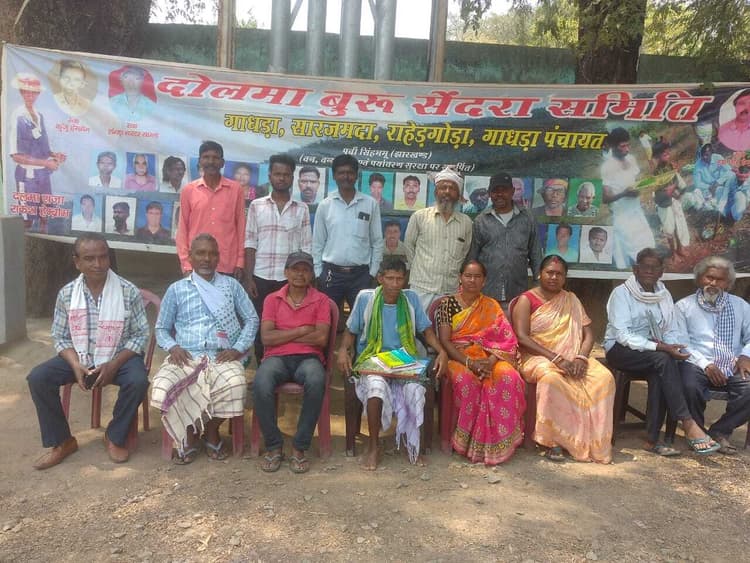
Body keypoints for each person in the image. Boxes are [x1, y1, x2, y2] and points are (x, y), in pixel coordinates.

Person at [27, 233, 149, 468]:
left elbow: (140, 335)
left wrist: (113, 364)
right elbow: (60, 336)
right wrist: (75, 364)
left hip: (119, 357)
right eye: (89, 258)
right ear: (77, 262)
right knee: (38, 378)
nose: (98, 264)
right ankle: (63, 442)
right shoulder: (67, 294)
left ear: (109, 258)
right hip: (80, 357)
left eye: (103, 257)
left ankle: (114, 436)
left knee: (138, 380)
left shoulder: (128, 291)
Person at [151, 234, 258, 464]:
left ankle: (211, 430)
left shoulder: (231, 286)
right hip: (186, 355)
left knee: (236, 385)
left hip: (221, 356)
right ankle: (189, 432)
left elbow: (252, 319)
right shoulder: (177, 289)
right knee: (163, 386)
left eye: (212, 254)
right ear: (190, 257)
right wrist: (173, 347)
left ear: (219, 258)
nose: (206, 259)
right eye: (200, 253)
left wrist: (237, 348)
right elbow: (161, 328)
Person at [604, 248, 720, 456]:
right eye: (645, 267)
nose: (649, 271)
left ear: (661, 272)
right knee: (663, 359)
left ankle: (652, 440)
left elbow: (670, 330)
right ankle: (688, 422)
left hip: (653, 354)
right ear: (635, 269)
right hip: (621, 350)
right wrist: (662, 347)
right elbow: (623, 335)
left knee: (663, 368)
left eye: (654, 267)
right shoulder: (621, 293)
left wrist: (674, 347)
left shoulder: (664, 295)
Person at [337, 257, 447, 470]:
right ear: (380, 278)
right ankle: (373, 446)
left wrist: (442, 351)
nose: (395, 284)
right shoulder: (365, 298)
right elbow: (351, 330)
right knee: (376, 388)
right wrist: (343, 350)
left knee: (415, 390)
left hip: (404, 362)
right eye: (390, 278)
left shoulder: (411, 299)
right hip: (373, 359)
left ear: (405, 280)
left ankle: (413, 445)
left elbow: (426, 331)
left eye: (399, 279)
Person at [511, 255, 615, 463]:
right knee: (551, 379)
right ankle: (553, 442)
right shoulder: (526, 300)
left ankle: (594, 440)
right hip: (537, 357)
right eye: (549, 272)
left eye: (559, 274)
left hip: (572, 357)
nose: (553, 277)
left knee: (604, 378)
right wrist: (557, 359)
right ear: (539, 274)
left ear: (565, 278)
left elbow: (589, 334)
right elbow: (522, 338)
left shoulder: (571, 299)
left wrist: (581, 358)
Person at [436, 260, 526, 465]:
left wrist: (491, 361)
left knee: (509, 377)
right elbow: (445, 341)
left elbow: (506, 340)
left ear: (484, 281)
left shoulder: (491, 306)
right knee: (468, 383)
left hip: (490, 356)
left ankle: (498, 441)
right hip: (458, 357)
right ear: (460, 277)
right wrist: (470, 363)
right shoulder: (446, 304)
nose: (472, 280)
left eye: (477, 277)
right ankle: (468, 442)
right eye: (468, 276)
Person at [253, 251, 331, 474]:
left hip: (308, 357)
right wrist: (302, 330)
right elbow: (267, 338)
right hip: (276, 358)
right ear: (286, 272)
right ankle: (274, 446)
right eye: (295, 269)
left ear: (312, 274)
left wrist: (284, 334)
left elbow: (321, 338)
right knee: (261, 381)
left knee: (316, 379)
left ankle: (299, 447)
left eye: (305, 270)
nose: (300, 274)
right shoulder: (272, 299)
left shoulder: (321, 300)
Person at [675, 256, 750, 455]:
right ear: (699, 278)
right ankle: (697, 433)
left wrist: (746, 356)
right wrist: (706, 364)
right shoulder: (683, 306)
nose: (714, 283)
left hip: (733, 362)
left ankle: (719, 431)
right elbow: (681, 342)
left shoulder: (740, 306)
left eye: (720, 279)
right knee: (689, 385)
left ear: (729, 283)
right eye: (709, 277)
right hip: (697, 362)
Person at [244, 154, 312, 361]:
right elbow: (250, 242)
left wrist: (307, 280)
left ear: (292, 178)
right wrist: (248, 278)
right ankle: (263, 367)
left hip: (289, 280)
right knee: (260, 325)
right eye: (277, 174)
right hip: (260, 277)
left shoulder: (302, 208)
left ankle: (282, 365)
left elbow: (306, 247)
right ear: (270, 176)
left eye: (286, 175)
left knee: (286, 325)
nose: (281, 178)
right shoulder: (256, 205)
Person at [312, 154, 383, 309]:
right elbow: (317, 243)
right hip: (331, 275)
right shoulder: (325, 205)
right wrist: (318, 273)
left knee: (363, 319)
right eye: (341, 173)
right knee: (328, 318)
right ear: (334, 176)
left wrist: (372, 273)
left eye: (350, 172)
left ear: (356, 175)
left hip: (361, 276)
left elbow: (377, 242)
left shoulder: (370, 204)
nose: (346, 177)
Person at [469, 172, 542, 313]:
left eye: (504, 190)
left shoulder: (527, 218)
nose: (499, 194)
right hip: (487, 294)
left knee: (515, 328)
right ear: (490, 193)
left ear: (512, 191)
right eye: (495, 191)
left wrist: (538, 286)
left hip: (518, 294)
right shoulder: (481, 221)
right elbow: (473, 257)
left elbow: (536, 254)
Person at [404, 166, 473, 313]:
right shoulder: (419, 217)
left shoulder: (466, 222)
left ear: (458, 194)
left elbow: (465, 252)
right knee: (418, 326)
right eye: (443, 187)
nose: (447, 192)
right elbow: (409, 247)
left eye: (452, 188)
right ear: (436, 192)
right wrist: (420, 270)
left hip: (450, 290)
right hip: (421, 289)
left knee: (447, 327)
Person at [177, 141, 246, 279]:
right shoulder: (189, 190)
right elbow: (182, 229)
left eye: (215, 157)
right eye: (206, 157)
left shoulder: (236, 190)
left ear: (222, 162)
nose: (211, 161)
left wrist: (240, 261)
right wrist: (186, 264)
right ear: (200, 161)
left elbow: (241, 228)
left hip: (228, 264)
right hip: (197, 264)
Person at [601, 127, 655, 269]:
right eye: (622, 146)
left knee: (648, 245)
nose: (627, 149)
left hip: (636, 211)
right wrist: (624, 194)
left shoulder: (631, 159)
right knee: (635, 251)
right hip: (622, 216)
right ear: (613, 146)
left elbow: (636, 180)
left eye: (628, 145)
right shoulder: (607, 167)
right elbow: (605, 198)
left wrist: (640, 186)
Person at [10, 73, 66, 198]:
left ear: (38, 93)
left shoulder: (39, 115)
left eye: (34, 92)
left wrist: (54, 155)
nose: (30, 95)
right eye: (26, 92)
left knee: (46, 208)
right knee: (28, 210)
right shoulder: (17, 116)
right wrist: (46, 163)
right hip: (27, 176)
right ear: (21, 92)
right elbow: (16, 156)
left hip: (43, 174)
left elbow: (41, 146)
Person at [649, 140, 690, 258]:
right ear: (657, 156)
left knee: (678, 224)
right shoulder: (656, 173)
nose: (667, 154)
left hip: (673, 200)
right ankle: (673, 253)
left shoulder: (671, 166)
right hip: (664, 204)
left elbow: (677, 181)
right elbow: (657, 194)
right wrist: (669, 192)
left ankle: (680, 248)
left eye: (668, 152)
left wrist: (675, 190)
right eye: (664, 153)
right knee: (669, 229)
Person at [692, 143, 732, 213]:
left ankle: (717, 208)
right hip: (707, 189)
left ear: (711, 153)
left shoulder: (718, 158)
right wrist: (710, 187)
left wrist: (718, 182)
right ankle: (709, 207)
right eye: (702, 155)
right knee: (696, 191)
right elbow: (697, 183)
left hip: (719, 186)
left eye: (706, 155)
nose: (704, 157)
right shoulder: (697, 165)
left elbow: (729, 170)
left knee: (722, 193)